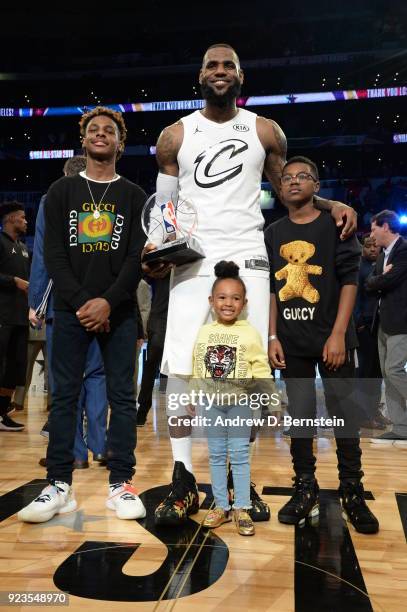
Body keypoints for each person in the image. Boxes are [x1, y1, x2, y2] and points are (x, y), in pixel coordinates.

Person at [143, 43, 357, 526]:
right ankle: (182, 476)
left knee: (249, 372)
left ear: (241, 76)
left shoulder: (265, 129)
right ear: (200, 75)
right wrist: (154, 250)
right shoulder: (175, 136)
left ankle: (242, 480)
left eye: (228, 66)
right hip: (192, 261)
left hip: (250, 257)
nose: (220, 72)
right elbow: (165, 208)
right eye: (212, 65)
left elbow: (288, 188)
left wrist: (331, 205)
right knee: (180, 367)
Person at [18, 106, 147, 523]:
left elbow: (134, 259)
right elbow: (53, 255)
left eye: (109, 130)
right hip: (70, 311)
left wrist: (108, 301)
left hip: (120, 310)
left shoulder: (133, 195)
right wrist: (81, 303)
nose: (101, 134)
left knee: (122, 398)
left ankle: (121, 484)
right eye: (93, 129)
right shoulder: (61, 192)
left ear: (119, 142)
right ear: (84, 139)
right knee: (65, 397)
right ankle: (59, 486)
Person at [266, 156, 379, 534]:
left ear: (317, 185)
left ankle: (352, 488)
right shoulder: (274, 232)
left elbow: (350, 280)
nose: (294, 182)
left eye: (303, 177)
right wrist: (272, 335)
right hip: (292, 342)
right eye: (287, 178)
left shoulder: (336, 224)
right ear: (280, 189)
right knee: (299, 419)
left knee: (344, 415)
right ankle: (305, 486)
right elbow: (271, 290)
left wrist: (337, 334)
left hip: (333, 340)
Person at [28, 155, 108, 468]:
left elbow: (43, 255)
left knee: (66, 379)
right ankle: (100, 446)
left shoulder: (53, 199)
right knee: (97, 375)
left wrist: (36, 301)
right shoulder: (104, 200)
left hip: (64, 304)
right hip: (99, 302)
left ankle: (75, 453)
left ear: (64, 175)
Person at [190, 261, 276, 536]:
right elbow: (198, 365)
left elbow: (261, 368)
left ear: (244, 302)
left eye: (235, 298)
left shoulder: (250, 333)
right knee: (216, 456)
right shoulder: (204, 332)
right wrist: (193, 395)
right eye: (222, 297)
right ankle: (220, 506)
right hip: (211, 405)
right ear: (212, 301)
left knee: (239, 457)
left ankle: (241, 507)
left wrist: (272, 402)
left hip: (239, 404)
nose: (228, 303)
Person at [367, 210, 407, 446]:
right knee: (387, 373)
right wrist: (381, 276)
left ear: (386, 227)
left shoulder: (404, 250)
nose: (371, 234)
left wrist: (381, 278)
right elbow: (370, 283)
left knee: (394, 370)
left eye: (373, 229)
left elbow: (387, 281)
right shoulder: (383, 255)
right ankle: (401, 427)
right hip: (382, 322)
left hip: (401, 321)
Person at [0, 201, 29, 431]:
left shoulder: (23, 247)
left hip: (20, 317)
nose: (25, 221)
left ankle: (2, 414)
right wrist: (13, 281)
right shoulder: (0, 242)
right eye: (22, 217)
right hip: (3, 316)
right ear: (10, 220)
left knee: (15, 368)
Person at [354, 235, 388, 429]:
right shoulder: (359, 266)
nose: (373, 249)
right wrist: (358, 322)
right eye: (369, 246)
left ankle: (373, 411)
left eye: (376, 246)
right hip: (364, 326)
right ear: (363, 248)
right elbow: (355, 297)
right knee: (365, 372)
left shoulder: (382, 263)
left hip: (379, 325)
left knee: (377, 371)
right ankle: (362, 415)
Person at [136, 274, 170, 426]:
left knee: (180, 365)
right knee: (151, 363)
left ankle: (178, 412)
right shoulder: (163, 262)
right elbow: (145, 275)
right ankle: (142, 410)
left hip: (182, 314)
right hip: (160, 316)